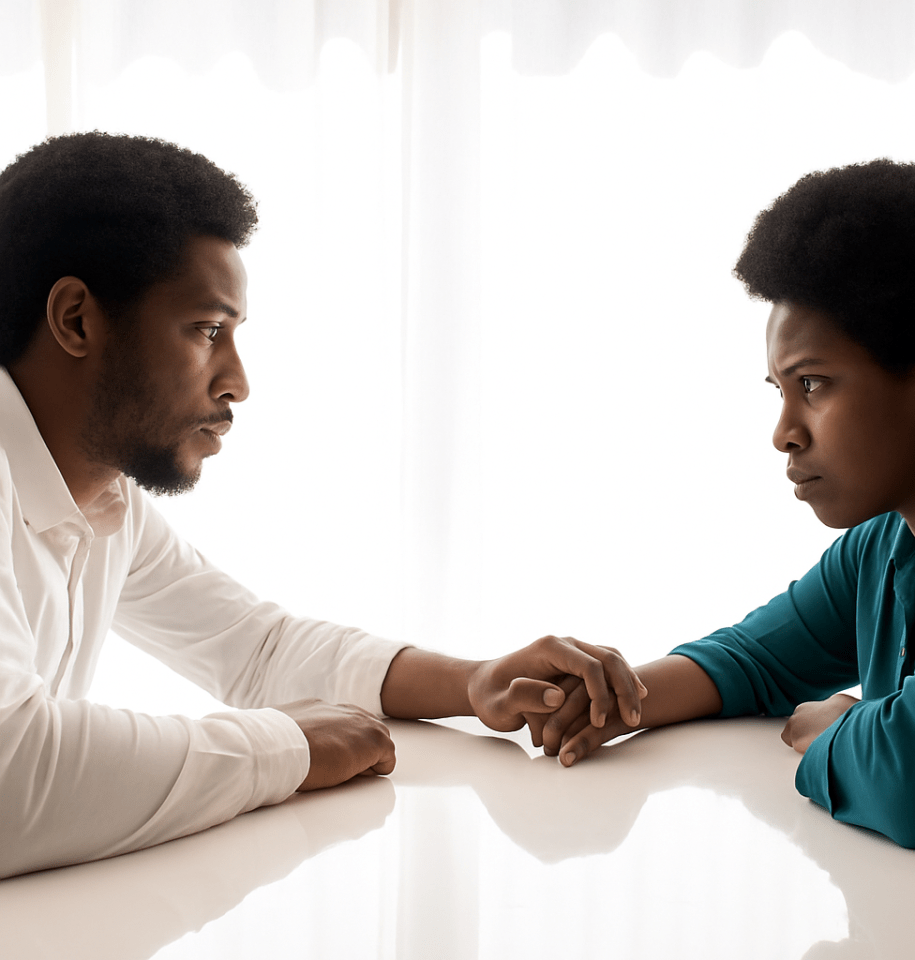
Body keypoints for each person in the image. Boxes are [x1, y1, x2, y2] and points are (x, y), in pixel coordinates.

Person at [0, 131, 645, 880]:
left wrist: (473, 682)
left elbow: (255, 646)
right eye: (208, 331)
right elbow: (13, 778)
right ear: (76, 319)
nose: (237, 381)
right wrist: (285, 746)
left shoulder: (104, 500)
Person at [536, 158, 915, 850]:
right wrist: (614, 699)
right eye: (780, 390)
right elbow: (755, 661)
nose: (784, 433)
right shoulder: (888, 544)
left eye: (814, 385)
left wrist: (838, 727)